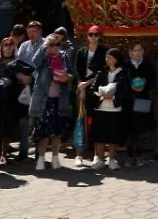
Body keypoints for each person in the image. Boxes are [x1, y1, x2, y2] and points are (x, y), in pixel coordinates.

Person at [28, 33, 72, 172]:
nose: (55, 48)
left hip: (59, 100)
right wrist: (44, 44)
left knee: (57, 132)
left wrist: (67, 78)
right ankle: (41, 159)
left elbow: (71, 74)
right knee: (43, 133)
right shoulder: (44, 57)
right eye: (52, 45)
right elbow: (34, 62)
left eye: (57, 44)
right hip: (43, 100)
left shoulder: (64, 57)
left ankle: (55, 158)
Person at [73, 26, 107, 166]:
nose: (93, 37)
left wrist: (87, 84)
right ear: (87, 36)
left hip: (95, 89)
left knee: (96, 121)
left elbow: (102, 72)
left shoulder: (104, 52)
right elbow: (76, 69)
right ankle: (79, 154)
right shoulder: (81, 52)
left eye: (96, 35)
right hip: (82, 89)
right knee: (80, 120)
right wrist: (81, 86)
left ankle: (97, 154)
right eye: (91, 34)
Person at [89, 48, 127, 170]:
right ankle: (100, 159)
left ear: (116, 59)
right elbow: (93, 89)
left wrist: (114, 96)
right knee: (99, 135)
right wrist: (100, 95)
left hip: (114, 109)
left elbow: (125, 91)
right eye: (106, 57)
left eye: (110, 57)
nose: (107, 59)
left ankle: (112, 159)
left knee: (113, 136)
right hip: (101, 108)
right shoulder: (101, 73)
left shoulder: (122, 73)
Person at [124, 43, 154, 167]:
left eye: (140, 50)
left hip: (143, 99)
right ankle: (130, 156)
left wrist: (144, 86)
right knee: (130, 128)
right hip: (129, 100)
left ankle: (139, 156)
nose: (137, 53)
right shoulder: (126, 66)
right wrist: (131, 87)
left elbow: (152, 81)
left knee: (141, 128)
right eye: (135, 50)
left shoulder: (147, 65)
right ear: (130, 52)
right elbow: (122, 81)